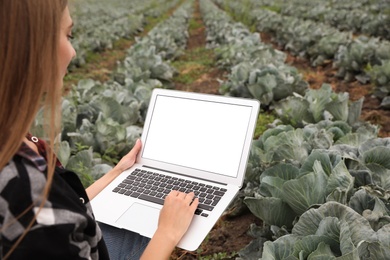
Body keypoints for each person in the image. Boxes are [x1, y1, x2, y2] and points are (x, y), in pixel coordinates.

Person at [0, 0, 199, 259]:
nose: (72, 52)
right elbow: (49, 208)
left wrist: (117, 172)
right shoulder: (27, 194)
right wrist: (167, 233)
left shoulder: (15, 139)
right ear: (26, 49)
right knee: (146, 229)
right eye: (67, 34)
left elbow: (65, 207)